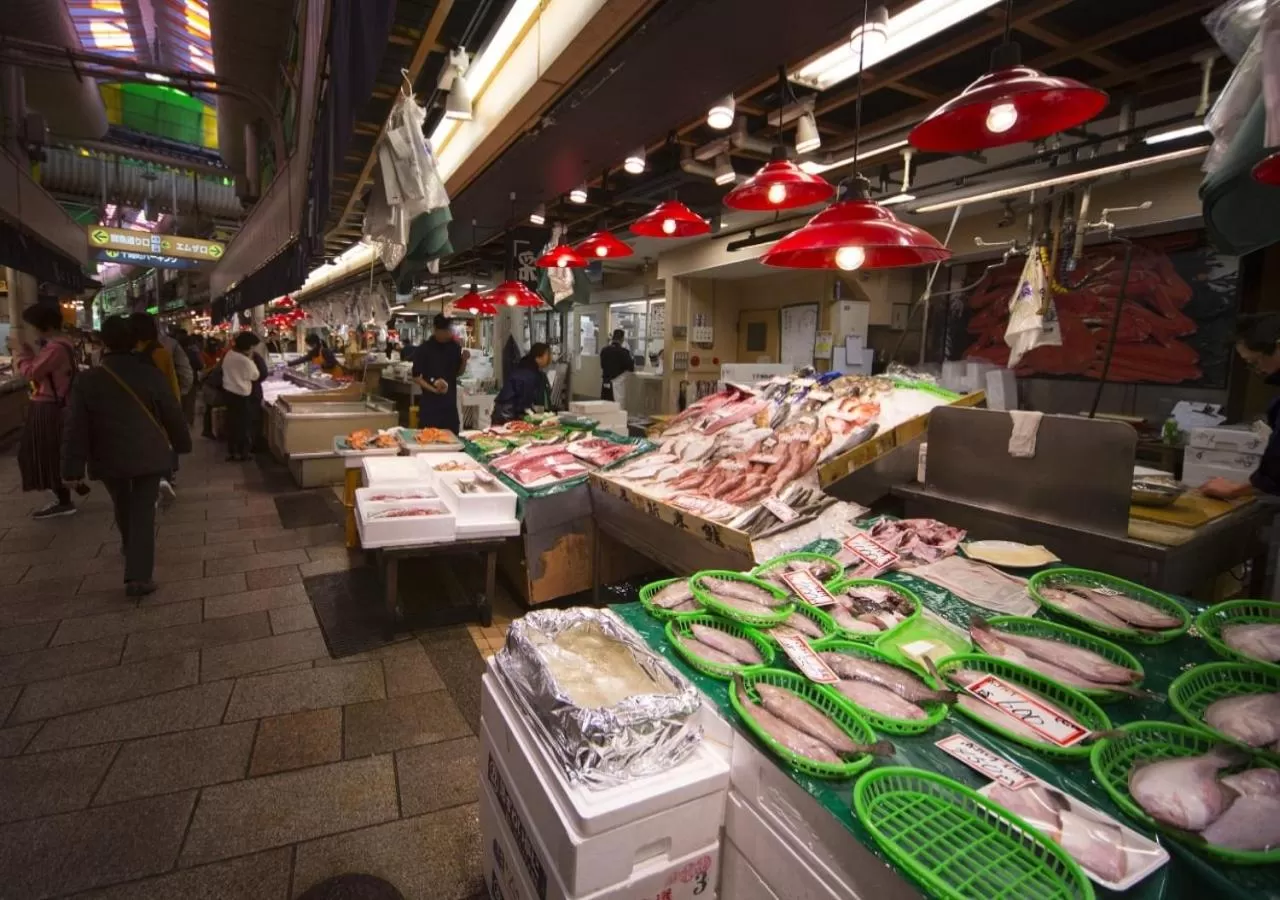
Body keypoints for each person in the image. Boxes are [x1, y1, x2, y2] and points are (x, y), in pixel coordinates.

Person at [61, 315, 191, 596]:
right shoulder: (150, 373)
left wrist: (72, 468)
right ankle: (139, 575)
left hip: (107, 455)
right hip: (149, 452)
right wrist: (182, 444)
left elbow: (76, 426)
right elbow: (172, 412)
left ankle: (130, 546)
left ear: (103, 342)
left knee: (122, 502)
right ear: (134, 341)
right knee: (143, 508)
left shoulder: (88, 380)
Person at [11, 303, 79, 519]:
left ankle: (63, 499)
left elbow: (31, 373)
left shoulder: (55, 348)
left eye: (32, 325)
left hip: (47, 406)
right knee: (48, 452)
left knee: (42, 454)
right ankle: (63, 495)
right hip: (54, 404)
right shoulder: (62, 344)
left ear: (43, 326)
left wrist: (20, 353)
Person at [412, 314, 468, 433]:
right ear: (435, 330)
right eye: (444, 331)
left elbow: (458, 373)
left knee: (452, 437)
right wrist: (433, 389)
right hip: (430, 407)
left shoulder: (455, 348)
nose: (447, 334)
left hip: (450, 407)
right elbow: (416, 377)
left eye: (448, 330)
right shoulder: (424, 349)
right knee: (428, 439)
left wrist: (464, 361)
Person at [221, 332, 261, 461]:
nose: (253, 349)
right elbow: (255, 375)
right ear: (248, 346)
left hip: (229, 393)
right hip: (242, 396)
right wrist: (251, 360)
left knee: (232, 424)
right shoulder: (244, 360)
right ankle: (243, 453)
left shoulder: (229, 354)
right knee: (243, 425)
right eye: (253, 346)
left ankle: (232, 452)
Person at [492, 343, 552, 425]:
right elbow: (524, 401)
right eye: (547, 354)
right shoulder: (530, 374)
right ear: (538, 357)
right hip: (508, 413)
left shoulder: (525, 366)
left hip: (502, 410)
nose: (549, 358)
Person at [599, 328, 635, 402]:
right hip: (616, 385)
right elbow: (631, 368)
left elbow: (602, 365)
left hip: (605, 383)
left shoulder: (604, 350)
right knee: (616, 406)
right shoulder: (624, 352)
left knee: (605, 405)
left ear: (613, 338)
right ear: (622, 339)